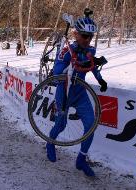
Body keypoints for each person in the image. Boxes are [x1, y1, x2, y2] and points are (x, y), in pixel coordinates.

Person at [45, 16, 108, 177]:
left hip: (80, 93)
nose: (88, 40)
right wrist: (75, 64)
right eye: (85, 36)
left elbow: (93, 66)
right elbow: (57, 72)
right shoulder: (67, 50)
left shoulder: (91, 50)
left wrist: (100, 80)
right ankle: (50, 143)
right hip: (64, 93)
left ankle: (81, 159)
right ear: (76, 34)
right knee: (61, 125)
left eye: (91, 36)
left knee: (90, 126)